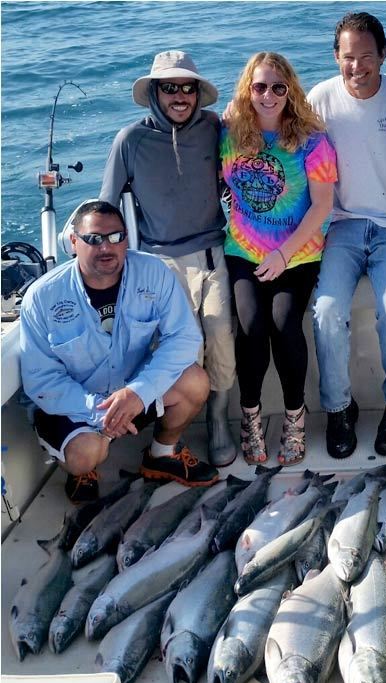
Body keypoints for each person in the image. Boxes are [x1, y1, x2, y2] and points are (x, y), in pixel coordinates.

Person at [19, 201, 220, 502]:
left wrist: (139, 392)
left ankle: (162, 454)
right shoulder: (43, 296)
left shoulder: (153, 272)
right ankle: (82, 470)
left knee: (195, 382)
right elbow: (40, 379)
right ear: (74, 242)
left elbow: (183, 338)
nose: (106, 247)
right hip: (76, 406)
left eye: (116, 237)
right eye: (94, 239)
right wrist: (98, 411)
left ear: (127, 239)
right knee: (87, 454)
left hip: (131, 395)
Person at [100, 50, 237, 467]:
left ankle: (218, 421)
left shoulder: (215, 127)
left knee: (222, 343)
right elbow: (106, 207)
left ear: (198, 94)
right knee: (184, 353)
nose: (180, 96)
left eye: (188, 88)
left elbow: (251, 140)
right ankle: (181, 430)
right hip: (160, 265)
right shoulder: (130, 139)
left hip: (214, 253)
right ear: (155, 93)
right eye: (170, 88)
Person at [308, 11, 386, 459]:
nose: (356, 67)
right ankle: (339, 408)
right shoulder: (320, 99)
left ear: (383, 55)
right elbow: (274, 124)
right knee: (326, 310)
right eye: (347, 57)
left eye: (366, 57)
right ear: (335, 56)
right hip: (343, 225)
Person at [220, 52, 337, 466]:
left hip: (298, 253)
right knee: (251, 325)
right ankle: (249, 416)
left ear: (290, 90)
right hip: (243, 251)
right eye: (259, 87)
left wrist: (284, 254)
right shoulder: (230, 134)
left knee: (285, 323)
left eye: (277, 87)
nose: (268, 95)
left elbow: (322, 206)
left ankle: (294, 417)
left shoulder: (312, 140)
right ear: (246, 91)